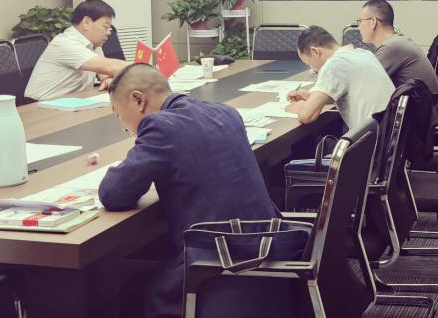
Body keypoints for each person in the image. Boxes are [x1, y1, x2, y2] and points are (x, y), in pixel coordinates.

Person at [99, 64, 306, 318]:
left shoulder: (160, 127)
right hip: (268, 245)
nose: (128, 129)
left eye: (120, 118)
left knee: (130, 286)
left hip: (222, 259)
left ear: (138, 100)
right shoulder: (225, 112)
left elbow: (114, 194)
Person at [286, 25, 394, 133]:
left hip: (372, 138)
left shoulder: (334, 64)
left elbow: (306, 116)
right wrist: (311, 97)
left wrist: (299, 108)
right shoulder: (363, 53)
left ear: (315, 51)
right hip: (391, 131)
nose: (312, 69)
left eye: (308, 64)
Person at [24, 0, 131, 101]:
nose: (108, 32)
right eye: (105, 27)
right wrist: (141, 68)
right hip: (40, 106)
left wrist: (106, 79)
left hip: (73, 101)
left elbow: (103, 70)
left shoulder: (93, 44)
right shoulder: (66, 43)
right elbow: (110, 67)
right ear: (86, 23)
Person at [357, 0, 438, 97]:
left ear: (373, 22)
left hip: (419, 106)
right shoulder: (396, 42)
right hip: (423, 105)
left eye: (361, 21)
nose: (359, 27)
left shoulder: (391, 47)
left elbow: (364, 86)